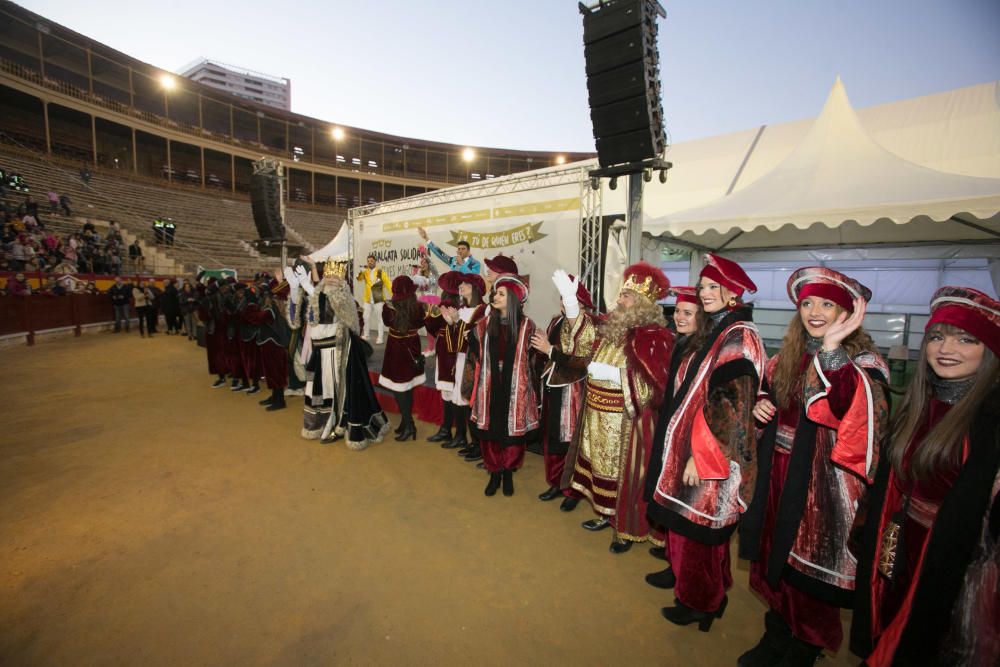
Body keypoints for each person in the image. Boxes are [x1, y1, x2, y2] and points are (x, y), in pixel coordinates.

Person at [736, 268, 889, 666]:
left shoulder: (865, 362)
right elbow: (768, 398)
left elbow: (849, 408)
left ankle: (803, 649)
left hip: (823, 486)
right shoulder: (786, 356)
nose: (814, 312)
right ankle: (777, 634)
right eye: (807, 303)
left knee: (810, 573)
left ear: (846, 312)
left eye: (826, 304)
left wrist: (833, 350)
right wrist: (759, 406)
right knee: (776, 560)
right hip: (779, 475)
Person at [851, 286, 1000, 667]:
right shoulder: (917, 404)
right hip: (898, 543)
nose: (946, 348)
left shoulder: (991, 418)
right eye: (937, 336)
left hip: (953, 562)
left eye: (966, 339)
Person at [646, 253, 766, 632]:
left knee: (698, 535)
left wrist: (702, 455)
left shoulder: (738, 335)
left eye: (713, 287)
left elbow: (732, 406)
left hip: (711, 456)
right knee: (697, 535)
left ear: (733, 292)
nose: (705, 293)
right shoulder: (720, 329)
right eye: (703, 287)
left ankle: (700, 603)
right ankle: (705, 593)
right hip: (697, 448)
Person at [561, 263, 673, 551]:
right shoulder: (612, 327)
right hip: (597, 414)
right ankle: (605, 514)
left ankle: (624, 529)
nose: (619, 301)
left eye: (627, 297)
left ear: (643, 305)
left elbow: (658, 383)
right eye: (621, 294)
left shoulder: (655, 335)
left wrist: (617, 376)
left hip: (628, 421)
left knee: (627, 476)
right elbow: (582, 342)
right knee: (600, 469)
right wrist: (572, 305)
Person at [300, 258, 389, 449]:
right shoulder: (318, 293)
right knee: (320, 387)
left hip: (337, 350)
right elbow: (317, 301)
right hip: (320, 351)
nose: (331, 278)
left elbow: (350, 323)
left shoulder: (343, 296)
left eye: (335, 275)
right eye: (329, 275)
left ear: (341, 278)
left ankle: (337, 424)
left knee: (335, 388)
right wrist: (313, 274)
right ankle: (323, 421)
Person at [529, 272, 600, 511]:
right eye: (562, 298)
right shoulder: (555, 321)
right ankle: (556, 482)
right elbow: (549, 353)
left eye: (570, 300)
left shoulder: (587, 325)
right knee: (552, 437)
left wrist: (550, 351)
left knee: (571, 441)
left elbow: (582, 361)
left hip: (573, 390)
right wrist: (541, 350)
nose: (564, 303)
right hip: (552, 385)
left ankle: (572, 489)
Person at [468, 274, 540, 497]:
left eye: (501, 294)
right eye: (495, 293)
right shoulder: (484, 323)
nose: (495, 296)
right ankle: (494, 472)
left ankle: (507, 471)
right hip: (490, 385)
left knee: (511, 433)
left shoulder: (527, 325)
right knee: (490, 431)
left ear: (512, 300)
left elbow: (534, 355)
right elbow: (473, 347)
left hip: (515, 387)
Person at [378, 275, 425, 441]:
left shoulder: (389, 307)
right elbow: (421, 324)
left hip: (397, 349)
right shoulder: (418, 306)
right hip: (412, 347)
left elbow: (386, 323)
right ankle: (406, 423)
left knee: (399, 389)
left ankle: (409, 424)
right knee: (407, 387)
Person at [422, 272, 466, 447]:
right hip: (447, 351)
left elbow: (433, 327)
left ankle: (458, 434)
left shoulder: (456, 306)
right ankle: (447, 429)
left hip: (454, 353)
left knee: (456, 394)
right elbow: (434, 328)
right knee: (448, 392)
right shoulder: (455, 305)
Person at [452, 272, 488, 460]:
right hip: (460, 360)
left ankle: (480, 446)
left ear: (475, 288)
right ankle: (472, 442)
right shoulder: (460, 308)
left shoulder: (483, 310)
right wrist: (453, 321)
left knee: (474, 403)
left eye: (466, 283)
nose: (461, 286)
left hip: (474, 362)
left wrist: (457, 322)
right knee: (465, 400)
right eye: (461, 284)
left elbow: (479, 337)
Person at [246, 279, 292, 411]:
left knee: (276, 372)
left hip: (274, 344)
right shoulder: (269, 304)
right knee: (271, 371)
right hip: (269, 343)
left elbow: (257, 318)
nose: (260, 295)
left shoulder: (272, 306)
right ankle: (275, 396)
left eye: (263, 293)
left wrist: (250, 306)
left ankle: (280, 400)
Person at [197, 279, 229, 387]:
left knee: (219, 354)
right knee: (218, 354)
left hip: (218, 330)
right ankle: (222, 375)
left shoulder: (222, 298)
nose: (226, 288)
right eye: (224, 287)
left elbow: (202, 316)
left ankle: (222, 376)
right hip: (216, 330)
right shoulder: (213, 300)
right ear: (219, 288)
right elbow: (203, 315)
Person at [355, 254, 392, 344]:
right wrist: (360, 272)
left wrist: (394, 294)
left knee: (380, 319)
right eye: (368, 261)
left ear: (375, 261)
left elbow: (388, 283)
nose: (369, 263)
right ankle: (366, 335)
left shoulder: (380, 272)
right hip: (367, 299)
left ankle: (380, 337)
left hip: (378, 299)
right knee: (365, 317)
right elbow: (358, 279)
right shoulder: (365, 272)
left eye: (371, 261)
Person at [417, 226, 481, 275]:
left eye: (463, 249)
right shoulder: (453, 260)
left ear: (468, 250)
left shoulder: (475, 263)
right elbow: (440, 253)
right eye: (459, 249)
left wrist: (462, 264)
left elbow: (472, 278)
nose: (460, 251)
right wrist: (426, 238)